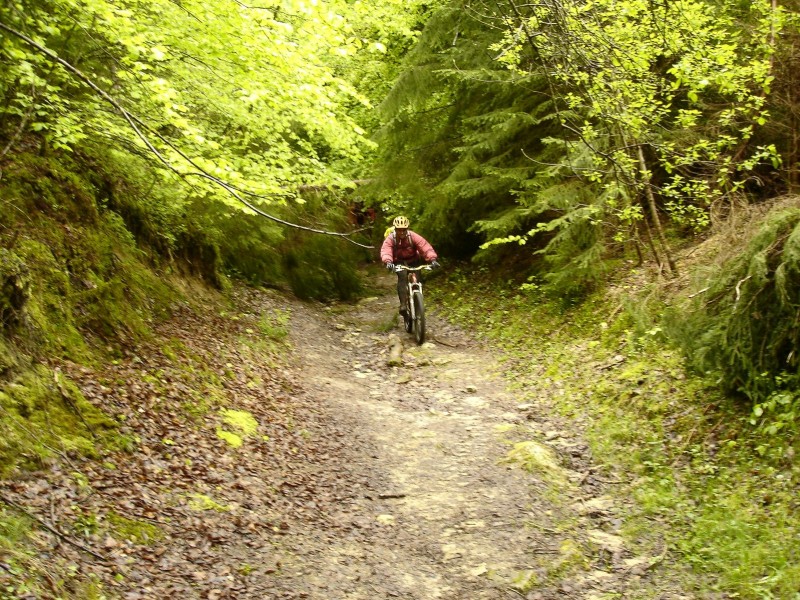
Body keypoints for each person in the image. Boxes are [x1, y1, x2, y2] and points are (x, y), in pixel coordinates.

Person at [380, 216, 440, 316]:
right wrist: (388, 262)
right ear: (395, 229)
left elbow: (425, 247)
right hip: (399, 262)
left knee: (418, 279)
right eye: (399, 230)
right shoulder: (391, 239)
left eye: (404, 230)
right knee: (402, 277)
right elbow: (386, 250)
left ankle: (418, 300)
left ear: (407, 229)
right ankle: (403, 305)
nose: (402, 232)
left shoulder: (412, 236)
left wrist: (432, 259)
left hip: (413, 260)